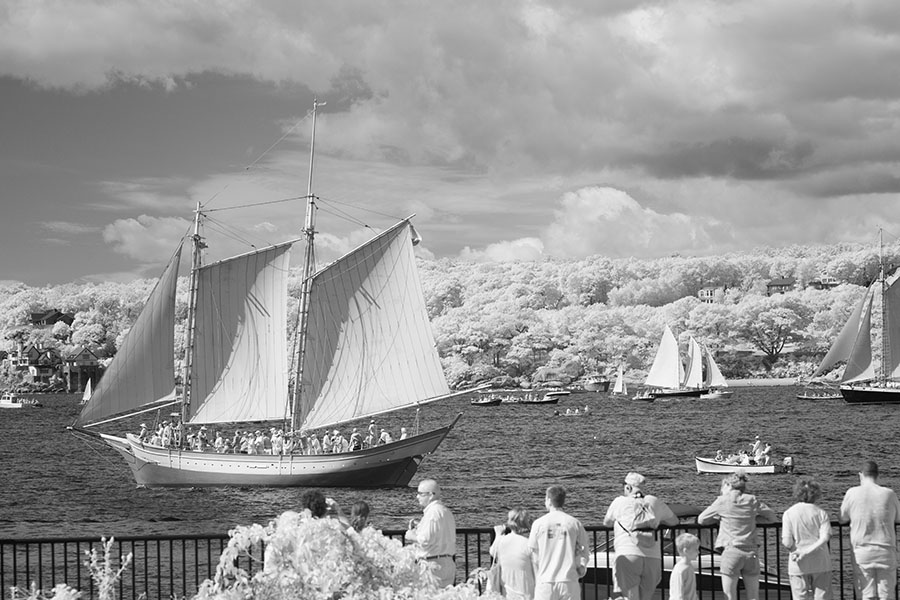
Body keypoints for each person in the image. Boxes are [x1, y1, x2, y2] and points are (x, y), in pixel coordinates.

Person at [698, 470, 777, 600]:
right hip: (751, 552)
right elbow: (772, 518)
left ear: (728, 485)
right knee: (753, 596)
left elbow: (702, 519)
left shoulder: (722, 501)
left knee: (729, 596)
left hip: (731, 550)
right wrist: (752, 520)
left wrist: (720, 519)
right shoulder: (751, 499)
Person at [603, 472, 679, 600]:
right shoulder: (654, 501)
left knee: (629, 597)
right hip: (652, 557)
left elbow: (606, 522)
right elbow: (674, 521)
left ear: (628, 487)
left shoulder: (619, 502)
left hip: (628, 553)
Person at [839, 460, 900, 600]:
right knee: (887, 595)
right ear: (878, 476)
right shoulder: (889, 494)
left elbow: (842, 518)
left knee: (866, 595)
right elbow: (898, 518)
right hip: (886, 551)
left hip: (862, 552)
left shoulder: (852, 493)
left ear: (860, 475)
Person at [528, 485, 589, 600]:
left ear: (549, 501)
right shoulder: (574, 523)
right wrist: (581, 566)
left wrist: (536, 576)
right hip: (569, 579)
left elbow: (533, 553)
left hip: (545, 580)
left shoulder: (538, 523)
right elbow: (584, 548)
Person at [782, 477, 832, 600]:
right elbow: (825, 537)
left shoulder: (789, 513)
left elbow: (787, 542)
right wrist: (807, 551)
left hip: (797, 562)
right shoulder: (821, 513)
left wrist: (797, 551)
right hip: (820, 562)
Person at [405, 479, 456, 587]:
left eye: (421, 494)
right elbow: (438, 532)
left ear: (431, 495)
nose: (417, 497)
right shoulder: (446, 511)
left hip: (432, 565)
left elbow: (426, 539)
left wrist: (411, 535)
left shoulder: (432, 513)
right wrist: (420, 526)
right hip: (448, 562)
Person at [490, 507, 536, 600]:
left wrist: (498, 535)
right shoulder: (529, 545)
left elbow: (492, 552)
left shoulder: (501, 542)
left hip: (506, 593)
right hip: (527, 594)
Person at [669, 533, 700, 600]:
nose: (698, 552)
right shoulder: (680, 569)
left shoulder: (689, 566)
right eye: (696, 549)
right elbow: (678, 593)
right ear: (686, 551)